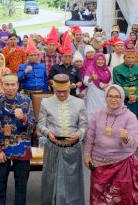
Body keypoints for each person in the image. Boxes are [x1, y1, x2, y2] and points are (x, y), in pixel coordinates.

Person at [84, 85, 138, 205]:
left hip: (122, 163)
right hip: (99, 163)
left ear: (122, 98)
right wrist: (87, 155)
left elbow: (135, 141)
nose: (113, 99)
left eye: (117, 96)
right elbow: (90, 136)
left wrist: (126, 138)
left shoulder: (129, 116)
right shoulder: (98, 114)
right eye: (110, 96)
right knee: (98, 196)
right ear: (105, 97)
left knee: (118, 198)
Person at [38, 74, 88, 205]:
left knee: (72, 181)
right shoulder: (46, 102)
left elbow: (84, 125)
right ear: (53, 88)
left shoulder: (79, 103)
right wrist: (48, 133)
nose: (61, 95)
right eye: (58, 91)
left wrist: (77, 135)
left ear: (69, 88)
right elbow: (41, 125)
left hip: (73, 147)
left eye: (64, 92)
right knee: (51, 179)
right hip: (53, 147)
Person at [0, 74, 34, 205]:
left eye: (13, 84)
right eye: (7, 85)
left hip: (22, 146)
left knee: (21, 184)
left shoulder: (26, 101)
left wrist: (23, 118)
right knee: (0, 183)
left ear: (18, 85)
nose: (10, 88)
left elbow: (32, 127)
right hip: (3, 146)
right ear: (2, 86)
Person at [49, 33, 83, 97]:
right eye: (65, 56)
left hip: (72, 94)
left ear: (72, 58)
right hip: (58, 93)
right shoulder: (55, 67)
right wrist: (57, 84)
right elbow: (50, 80)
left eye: (69, 56)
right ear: (61, 57)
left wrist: (75, 85)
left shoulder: (76, 68)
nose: (67, 58)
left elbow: (80, 82)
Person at [113, 50, 138, 118]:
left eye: (133, 57)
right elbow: (118, 84)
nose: (131, 59)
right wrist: (128, 95)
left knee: (135, 116)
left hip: (136, 96)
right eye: (129, 57)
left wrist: (136, 95)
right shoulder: (117, 69)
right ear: (124, 58)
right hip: (123, 96)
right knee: (122, 116)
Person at [83, 53, 113, 119]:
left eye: (102, 59)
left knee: (105, 115)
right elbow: (85, 82)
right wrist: (91, 78)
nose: (100, 61)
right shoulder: (90, 69)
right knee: (93, 114)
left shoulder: (108, 69)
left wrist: (107, 85)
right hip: (94, 95)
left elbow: (111, 81)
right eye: (98, 59)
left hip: (105, 93)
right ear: (95, 60)